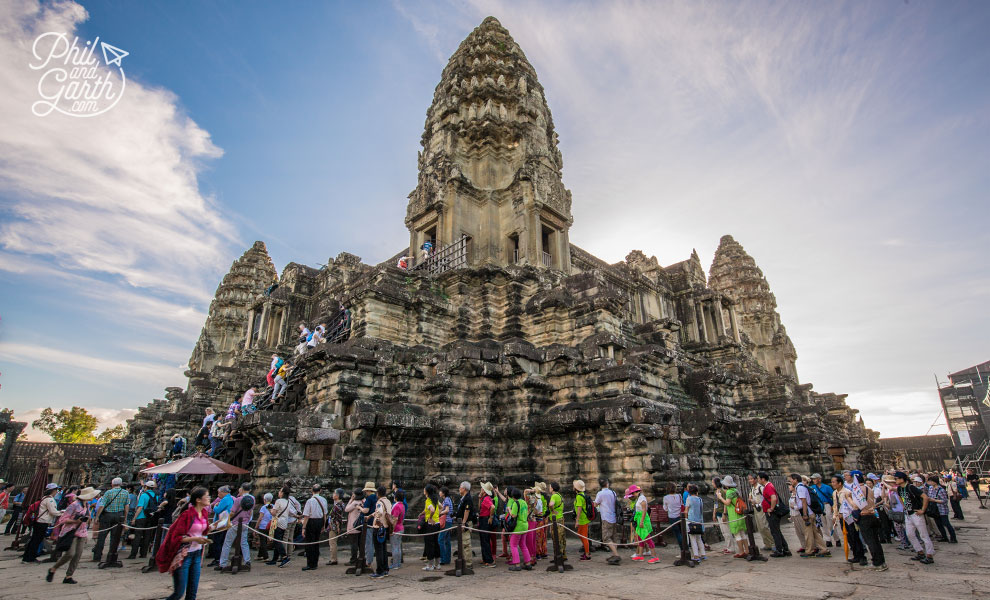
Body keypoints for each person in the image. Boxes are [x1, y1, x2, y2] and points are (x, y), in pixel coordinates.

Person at [156, 486, 212, 600]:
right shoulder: (187, 514)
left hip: (197, 554)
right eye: (207, 496)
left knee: (192, 593)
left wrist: (218, 524)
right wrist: (195, 539)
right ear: (198, 500)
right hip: (184, 555)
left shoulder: (204, 513)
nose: (209, 498)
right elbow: (177, 537)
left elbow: (203, 531)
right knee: (179, 592)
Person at [46, 486, 99, 584]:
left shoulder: (87, 505)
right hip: (71, 531)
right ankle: (53, 569)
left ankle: (68, 576)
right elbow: (62, 519)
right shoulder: (74, 505)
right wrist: (75, 521)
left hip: (82, 532)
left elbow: (87, 518)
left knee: (77, 555)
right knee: (70, 553)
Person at [896, 471, 934, 564]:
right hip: (908, 514)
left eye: (896, 478)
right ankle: (920, 552)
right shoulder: (899, 489)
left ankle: (929, 555)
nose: (895, 480)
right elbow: (900, 497)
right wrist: (903, 506)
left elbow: (925, 497)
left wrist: (922, 510)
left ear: (902, 479)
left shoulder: (911, 487)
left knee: (923, 535)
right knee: (910, 534)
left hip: (916, 513)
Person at [219, 482, 255, 571]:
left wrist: (225, 519)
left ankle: (223, 563)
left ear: (241, 489)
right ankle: (247, 560)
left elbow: (232, 512)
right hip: (245, 523)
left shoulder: (238, 499)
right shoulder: (252, 499)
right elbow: (251, 512)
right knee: (244, 542)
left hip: (235, 523)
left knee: (227, 543)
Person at [93, 477, 129, 564]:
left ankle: (97, 556)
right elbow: (126, 506)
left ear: (112, 484)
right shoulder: (125, 493)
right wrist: (125, 518)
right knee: (115, 536)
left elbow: (102, 505)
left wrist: (97, 516)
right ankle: (111, 554)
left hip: (107, 515)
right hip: (119, 515)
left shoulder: (108, 492)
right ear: (120, 484)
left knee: (102, 536)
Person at [23, 483, 61, 563]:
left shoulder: (44, 498)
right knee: (36, 540)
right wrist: (63, 513)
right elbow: (53, 512)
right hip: (42, 522)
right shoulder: (49, 499)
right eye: (56, 490)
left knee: (34, 540)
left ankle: (27, 557)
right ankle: (30, 558)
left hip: (38, 521)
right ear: (53, 490)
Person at [857, 478, 887, 570]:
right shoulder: (868, 488)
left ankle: (877, 563)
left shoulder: (858, 490)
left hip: (865, 516)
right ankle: (882, 562)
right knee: (875, 541)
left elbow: (855, 506)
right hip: (872, 515)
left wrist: (848, 498)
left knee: (870, 541)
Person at [791, 474, 823, 557]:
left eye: (791, 479)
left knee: (808, 533)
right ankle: (823, 549)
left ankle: (809, 550)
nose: (790, 481)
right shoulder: (802, 487)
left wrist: (805, 514)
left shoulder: (800, 488)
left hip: (807, 512)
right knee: (815, 532)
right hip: (810, 512)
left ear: (795, 480)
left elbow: (804, 501)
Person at [626, 484, 660, 563]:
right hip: (639, 518)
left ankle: (654, 556)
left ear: (635, 492)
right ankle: (640, 555)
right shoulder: (639, 498)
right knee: (641, 538)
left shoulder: (642, 499)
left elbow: (644, 511)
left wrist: (641, 522)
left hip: (643, 519)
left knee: (648, 538)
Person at [267, 486, 299, 568]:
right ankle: (274, 559)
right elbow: (291, 512)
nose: (279, 493)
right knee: (278, 540)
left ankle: (284, 557)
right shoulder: (287, 501)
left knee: (277, 541)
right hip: (285, 523)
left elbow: (274, 513)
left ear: (282, 493)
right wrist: (297, 516)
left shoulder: (278, 501)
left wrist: (270, 510)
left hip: (278, 522)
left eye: (280, 491)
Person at [128, 480, 159, 559]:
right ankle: (143, 553)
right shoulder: (156, 496)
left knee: (138, 536)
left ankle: (133, 554)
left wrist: (134, 518)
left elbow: (140, 507)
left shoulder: (144, 495)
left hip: (141, 516)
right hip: (150, 517)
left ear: (146, 487)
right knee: (147, 536)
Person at [720, 476, 749, 558]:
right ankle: (747, 550)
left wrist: (720, 497)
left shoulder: (729, 492)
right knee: (742, 533)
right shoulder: (735, 490)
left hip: (734, 514)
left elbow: (727, 503)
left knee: (737, 534)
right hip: (740, 513)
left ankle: (741, 551)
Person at [593, 477, 621, 565]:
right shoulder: (613, 492)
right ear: (607, 484)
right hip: (613, 516)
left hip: (606, 517)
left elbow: (595, 504)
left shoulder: (600, 494)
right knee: (613, 537)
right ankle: (614, 554)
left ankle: (616, 555)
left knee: (606, 538)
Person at [300, 485, 327, 571]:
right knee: (316, 542)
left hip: (311, 522)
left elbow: (306, 516)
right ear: (320, 490)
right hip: (320, 521)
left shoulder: (310, 501)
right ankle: (315, 563)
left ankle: (310, 563)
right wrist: (324, 525)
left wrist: (303, 528)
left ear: (312, 490)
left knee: (309, 543)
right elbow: (325, 514)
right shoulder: (324, 500)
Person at [505, 487, 532, 571]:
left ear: (513, 496)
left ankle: (517, 564)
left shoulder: (516, 503)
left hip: (518, 526)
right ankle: (528, 563)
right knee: (523, 545)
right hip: (525, 524)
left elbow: (513, 515)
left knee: (513, 545)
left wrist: (509, 509)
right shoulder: (523, 502)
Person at [206, 486, 233, 566]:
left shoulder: (225, 499)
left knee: (218, 541)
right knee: (221, 541)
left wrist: (215, 506)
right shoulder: (229, 499)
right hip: (224, 522)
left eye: (219, 492)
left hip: (221, 523)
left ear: (223, 492)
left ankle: (217, 559)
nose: (218, 494)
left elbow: (217, 510)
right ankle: (219, 558)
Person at [369, 486, 393, 579]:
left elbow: (379, 511)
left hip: (379, 527)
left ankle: (380, 571)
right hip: (386, 526)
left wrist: (377, 519)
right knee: (383, 549)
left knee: (378, 550)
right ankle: (385, 569)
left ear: (378, 493)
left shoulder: (379, 502)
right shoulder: (388, 501)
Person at [926, 475, 956, 543]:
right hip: (935, 510)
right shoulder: (930, 488)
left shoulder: (941, 490)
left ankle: (953, 537)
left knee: (946, 524)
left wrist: (934, 500)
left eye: (931, 481)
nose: (930, 482)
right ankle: (944, 537)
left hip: (942, 509)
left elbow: (944, 501)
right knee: (939, 524)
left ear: (935, 482)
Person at [747, 474, 773, 551]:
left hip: (762, 509)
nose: (750, 480)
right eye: (749, 479)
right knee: (760, 528)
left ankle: (773, 543)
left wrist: (758, 503)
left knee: (764, 527)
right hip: (756, 509)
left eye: (752, 479)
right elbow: (751, 497)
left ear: (755, 479)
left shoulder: (760, 488)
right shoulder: (752, 489)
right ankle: (767, 544)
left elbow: (766, 498)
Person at [810, 473, 836, 548]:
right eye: (813, 479)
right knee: (823, 523)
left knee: (830, 522)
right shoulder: (813, 487)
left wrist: (833, 506)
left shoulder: (826, 487)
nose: (814, 480)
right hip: (820, 506)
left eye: (815, 479)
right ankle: (828, 540)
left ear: (819, 479)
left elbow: (833, 496)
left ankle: (836, 538)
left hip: (827, 504)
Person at [421, 484, 442, 571]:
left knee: (430, 544)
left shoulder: (428, 500)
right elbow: (441, 507)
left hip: (430, 525)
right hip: (437, 523)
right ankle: (437, 564)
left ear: (427, 491)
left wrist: (430, 518)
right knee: (436, 543)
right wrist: (437, 515)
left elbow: (432, 509)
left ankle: (430, 565)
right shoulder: (435, 499)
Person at [455, 481, 475, 568]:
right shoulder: (463, 498)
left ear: (464, 488)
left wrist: (463, 523)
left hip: (465, 522)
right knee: (462, 542)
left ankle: (468, 563)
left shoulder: (468, 498)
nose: (459, 489)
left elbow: (467, 511)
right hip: (461, 522)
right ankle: (464, 560)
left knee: (466, 543)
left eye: (460, 487)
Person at [477, 482, 497, 567]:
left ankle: (489, 560)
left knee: (485, 540)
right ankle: (486, 558)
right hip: (483, 519)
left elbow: (492, 507)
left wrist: (491, 517)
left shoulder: (486, 499)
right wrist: (479, 497)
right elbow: (479, 508)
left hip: (485, 520)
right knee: (484, 540)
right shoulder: (484, 498)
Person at [711, 477, 733, 554]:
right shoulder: (716, 492)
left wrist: (724, 514)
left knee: (727, 531)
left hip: (722, 512)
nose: (712, 484)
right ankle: (727, 546)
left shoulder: (723, 492)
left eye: (713, 483)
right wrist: (714, 513)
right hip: (718, 512)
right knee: (723, 531)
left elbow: (725, 504)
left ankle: (731, 548)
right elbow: (715, 503)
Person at [359, 482, 378, 567]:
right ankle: (369, 559)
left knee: (368, 543)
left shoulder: (369, 498)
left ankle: (368, 561)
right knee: (372, 542)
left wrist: (359, 508)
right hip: (375, 521)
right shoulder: (376, 497)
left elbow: (366, 510)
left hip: (368, 522)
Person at [685, 484, 706, 562]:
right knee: (699, 538)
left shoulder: (689, 499)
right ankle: (703, 553)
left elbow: (686, 510)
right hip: (698, 520)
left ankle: (696, 555)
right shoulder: (699, 499)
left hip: (691, 520)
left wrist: (685, 518)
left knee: (693, 538)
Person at [547, 481, 567, 563]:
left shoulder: (554, 496)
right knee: (561, 537)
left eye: (550, 487)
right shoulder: (559, 495)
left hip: (556, 520)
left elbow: (551, 504)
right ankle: (563, 555)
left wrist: (552, 510)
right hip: (561, 518)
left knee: (556, 538)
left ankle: (558, 557)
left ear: (552, 488)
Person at [325, 488, 345, 566]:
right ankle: (333, 558)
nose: (333, 495)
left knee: (332, 542)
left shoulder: (338, 505)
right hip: (335, 524)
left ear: (337, 495)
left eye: (334, 493)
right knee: (333, 542)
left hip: (334, 525)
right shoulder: (340, 504)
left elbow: (333, 515)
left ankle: (333, 559)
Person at [344, 489, 363, 566]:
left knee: (353, 544)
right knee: (360, 543)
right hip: (360, 524)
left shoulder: (355, 502)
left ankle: (353, 559)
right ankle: (360, 557)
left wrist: (351, 499)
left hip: (353, 525)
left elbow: (346, 509)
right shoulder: (363, 501)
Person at [662, 482, 684, 550]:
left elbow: (665, 509)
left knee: (678, 534)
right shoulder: (679, 496)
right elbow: (681, 505)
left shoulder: (666, 498)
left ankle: (682, 550)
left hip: (672, 517)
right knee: (682, 533)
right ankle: (685, 548)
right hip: (680, 516)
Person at [388, 490, 405, 570]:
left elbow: (394, 519)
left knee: (394, 547)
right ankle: (398, 563)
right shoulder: (402, 505)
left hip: (396, 528)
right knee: (398, 546)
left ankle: (395, 564)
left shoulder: (397, 506)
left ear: (396, 497)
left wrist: (392, 529)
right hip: (401, 527)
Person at [255, 493, 274, 562]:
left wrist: (256, 526)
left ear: (265, 500)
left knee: (263, 541)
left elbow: (260, 518)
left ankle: (266, 556)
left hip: (263, 525)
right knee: (264, 540)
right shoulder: (273, 506)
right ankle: (260, 555)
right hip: (270, 525)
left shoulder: (263, 507)